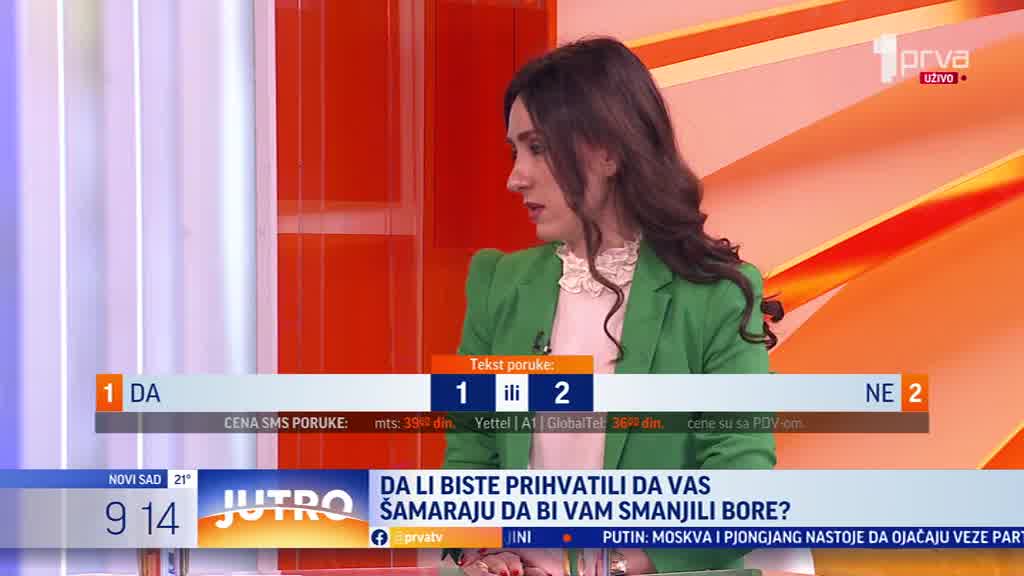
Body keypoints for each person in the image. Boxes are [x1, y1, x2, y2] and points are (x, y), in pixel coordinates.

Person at [443, 37, 782, 576]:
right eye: (514, 151)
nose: (515, 177)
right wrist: (482, 552)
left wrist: (616, 565)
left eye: (538, 147)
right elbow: (471, 452)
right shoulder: (497, 284)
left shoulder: (716, 295)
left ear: (609, 152)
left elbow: (740, 492)